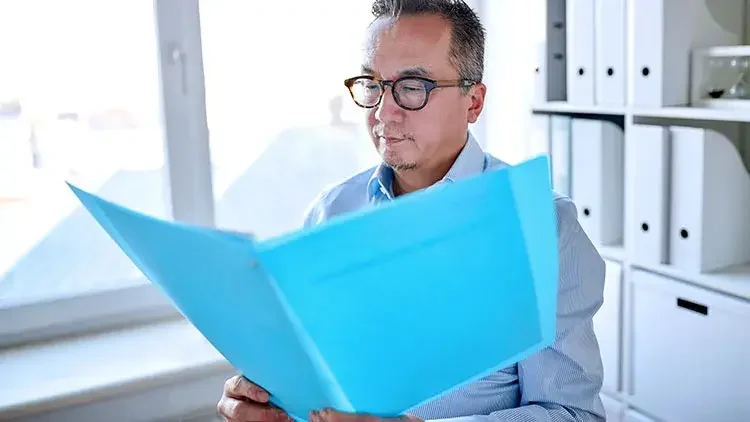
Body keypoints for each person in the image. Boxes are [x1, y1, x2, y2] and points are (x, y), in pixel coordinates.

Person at [217, 0, 607, 421]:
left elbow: (573, 414)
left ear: (473, 102)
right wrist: (265, 404)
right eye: (372, 84)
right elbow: (309, 376)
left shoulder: (544, 228)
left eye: (413, 86)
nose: (384, 112)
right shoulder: (331, 213)